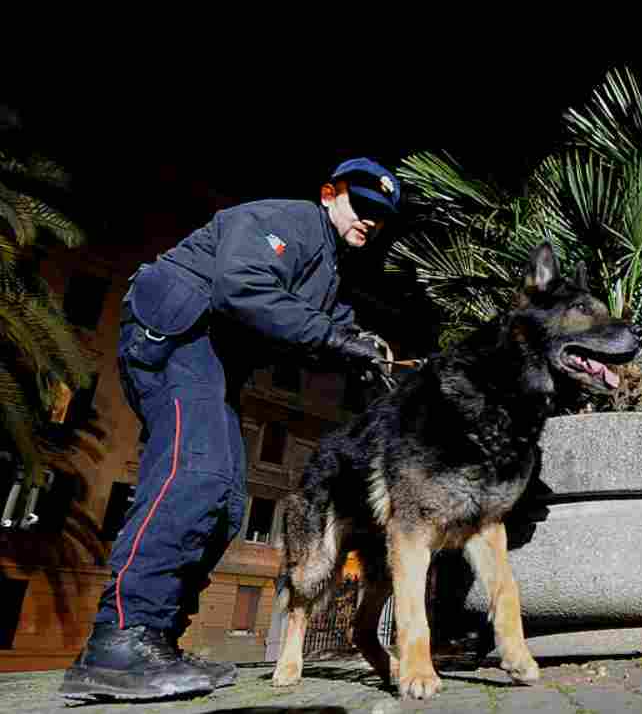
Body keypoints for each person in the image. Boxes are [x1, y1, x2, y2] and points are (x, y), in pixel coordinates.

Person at [59, 158, 401, 702]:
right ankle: (118, 641)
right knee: (191, 475)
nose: (371, 221)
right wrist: (339, 341)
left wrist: (362, 346)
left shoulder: (327, 270)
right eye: (362, 207)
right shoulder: (287, 221)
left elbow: (328, 324)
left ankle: (157, 640)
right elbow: (243, 287)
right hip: (176, 339)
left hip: (210, 365)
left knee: (224, 503)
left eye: (382, 218)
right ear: (329, 193)